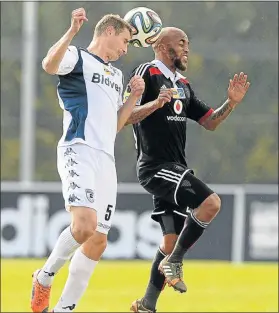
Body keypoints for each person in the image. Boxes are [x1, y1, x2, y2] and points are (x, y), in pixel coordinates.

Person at [124, 27, 250, 313]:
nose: (186, 48)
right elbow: (125, 116)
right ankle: (175, 262)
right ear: (160, 45)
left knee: (169, 241)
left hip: (175, 169)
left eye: (188, 43)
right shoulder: (146, 73)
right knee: (211, 203)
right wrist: (157, 103)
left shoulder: (182, 84)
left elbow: (210, 122)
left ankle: (146, 304)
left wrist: (231, 102)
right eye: (180, 43)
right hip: (155, 167)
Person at [30, 8, 145, 313]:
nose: (125, 48)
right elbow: (48, 64)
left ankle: (64, 309)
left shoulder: (117, 74)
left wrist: (133, 97)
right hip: (78, 149)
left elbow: (115, 125)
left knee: (98, 241)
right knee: (83, 227)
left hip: (105, 159)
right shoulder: (77, 58)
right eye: (124, 40)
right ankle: (44, 277)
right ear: (108, 32)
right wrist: (71, 32)